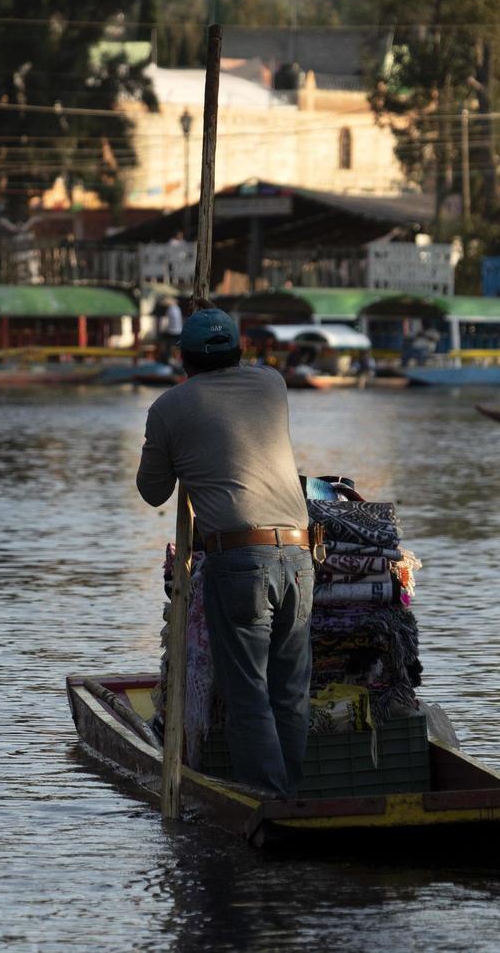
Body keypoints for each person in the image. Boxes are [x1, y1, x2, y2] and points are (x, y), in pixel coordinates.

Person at [136, 308, 314, 799]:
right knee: (290, 692)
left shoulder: (170, 408)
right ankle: (292, 796)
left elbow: (152, 492)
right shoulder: (272, 385)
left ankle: (269, 803)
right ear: (239, 351)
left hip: (239, 564)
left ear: (183, 359)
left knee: (248, 695)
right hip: (299, 556)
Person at [156, 297, 183, 364]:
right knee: (175, 346)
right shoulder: (177, 308)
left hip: (172, 332)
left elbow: (167, 322)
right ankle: (173, 359)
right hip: (178, 331)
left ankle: (166, 360)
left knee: (166, 345)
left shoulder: (170, 309)